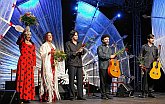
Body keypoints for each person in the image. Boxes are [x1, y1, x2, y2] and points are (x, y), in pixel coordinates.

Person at [16, 27, 36, 103]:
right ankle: (20, 97)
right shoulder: (22, 42)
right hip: (23, 62)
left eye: (30, 35)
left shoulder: (32, 44)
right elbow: (18, 41)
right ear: (25, 35)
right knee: (22, 78)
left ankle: (27, 97)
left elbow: (34, 55)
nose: (29, 37)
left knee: (28, 80)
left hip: (30, 63)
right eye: (28, 35)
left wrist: (34, 64)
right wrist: (23, 32)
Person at [39, 32, 61, 103]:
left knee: (53, 80)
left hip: (53, 65)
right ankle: (46, 96)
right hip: (47, 65)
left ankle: (52, 96)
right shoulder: (43, 46)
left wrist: (58, 57)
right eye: (48, 36)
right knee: (47, 80)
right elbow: (42, 55)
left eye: (51, 35)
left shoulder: (53, 46)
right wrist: (48, 53)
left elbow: (55, 55)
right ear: (46, 37)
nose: (50, 37)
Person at [65, 30, 86, 100]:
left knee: (80, 81)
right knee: (71, 80)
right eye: (75, 35)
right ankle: (72, 96)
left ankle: (80, 96)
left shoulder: (79, 43)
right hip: (72, 63)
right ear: (72, 36)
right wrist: (76, 52)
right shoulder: (68, 43)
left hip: (79, 64)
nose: (77, 36)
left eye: (77, 35)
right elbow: (67, 54)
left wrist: (82, 50)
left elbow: (83, 52)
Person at [139, 34, 158, 98]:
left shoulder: (155, 48)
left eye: (153, 38)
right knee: (145, 80)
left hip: (153, 66)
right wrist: (141, 64)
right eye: (151, 38)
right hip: (145, 65)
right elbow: (140, 56)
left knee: (152, 79)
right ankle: (144, 93)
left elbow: (156, 57)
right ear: (148, 39)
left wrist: (157, 60)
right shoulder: (144, 46)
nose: (153, 40)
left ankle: (150, 92)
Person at [97, 34, 116, 99]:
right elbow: (101, 55)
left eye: (108, 39)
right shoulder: (100, 47)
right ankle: (103, 94)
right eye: (105, 39)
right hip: (103, 66)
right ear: (102, 40)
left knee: (108, 81)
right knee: (103, 81)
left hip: (110, 67)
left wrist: (115, 55)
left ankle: (107, 93)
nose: (107, 40)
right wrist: (110, 56)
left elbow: (112, 57)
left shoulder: (110, 48)